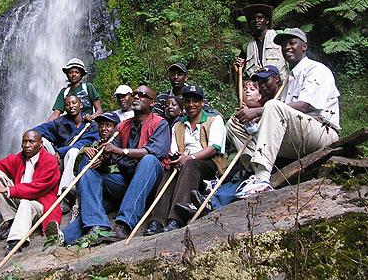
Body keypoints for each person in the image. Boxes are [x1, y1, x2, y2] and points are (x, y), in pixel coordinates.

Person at [46, 86, 171, 245]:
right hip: (125, 182)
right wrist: (102, 159)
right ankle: (89, 227)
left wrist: (120, 151)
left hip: (150, 183)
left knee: (149, 160)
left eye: (143, 95)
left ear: (152, 103)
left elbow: (155, 152)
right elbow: (111, 157)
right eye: (135, 94)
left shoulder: (160, 124)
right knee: (89, 169)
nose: (137, 97)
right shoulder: (123, 126)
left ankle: (123, 225)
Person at [234, 28, 340, 198]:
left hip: (322, 131)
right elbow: (278, 118)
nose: (287, 48)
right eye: (284, 45)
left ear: (304, 46)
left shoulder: (316, 69)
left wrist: (260, 110)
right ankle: (256, 170)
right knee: (236, 123)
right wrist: (253, 122)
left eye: (292, 43)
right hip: (297, 135)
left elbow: (304, 106)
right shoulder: (289, 79)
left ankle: (262, 178)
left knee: (272, 106)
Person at [176, 68, 282, 220]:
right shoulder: (241, 117)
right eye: (245, 89)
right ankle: (208, 202)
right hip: (246, 162)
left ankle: (211, 201)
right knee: (237, 179)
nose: (247, 91)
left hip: (265, 158)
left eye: (252, 89)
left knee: (239, 178)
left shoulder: (273, 107)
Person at [143, 85, 227, 235]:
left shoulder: (214, 120)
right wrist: (177, 160)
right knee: (171, 171)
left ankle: (176, 218)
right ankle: (156, 221)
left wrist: (190, 157)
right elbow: (174, 151)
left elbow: (214, 147)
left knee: (190, 164)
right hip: (186, 163)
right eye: (187, 101)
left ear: (202, 103)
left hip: (210, 164)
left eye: (195, 101)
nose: (191, 104)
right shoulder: (178, 126)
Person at [0, 130, 62, 253]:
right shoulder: (18, 158)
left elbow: (37, 188)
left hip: (40, 203)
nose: (27, 145)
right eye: (24, 141)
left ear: (40, 144)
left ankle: (16, 241)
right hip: (20, 199)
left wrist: (6, 189)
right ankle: (13, 220)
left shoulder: (50, 161)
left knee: (25, 203)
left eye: (31, 142)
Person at [33, 95, 99, 199]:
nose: (71, 106)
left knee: (73, 151)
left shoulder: (91, 125)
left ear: (81, 105)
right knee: (40, 141)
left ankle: (64, 195)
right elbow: (44, 129)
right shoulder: (60, 122)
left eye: (74, 103)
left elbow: (84, 143)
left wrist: (60, 152)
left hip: (76, 162)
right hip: (58, 160)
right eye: (67, 104)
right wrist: (30, 135)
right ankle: (36, 183)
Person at [231, 4, 288, 82]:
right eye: (253, 19)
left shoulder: (279, 37)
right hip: (258, 89)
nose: (256, 20)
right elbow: (241, 73)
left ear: (267, 21)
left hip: (281, 87)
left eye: (260, 17)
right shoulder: (246, 47)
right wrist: (237, 68)